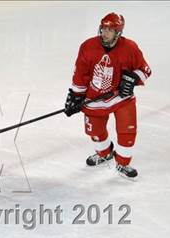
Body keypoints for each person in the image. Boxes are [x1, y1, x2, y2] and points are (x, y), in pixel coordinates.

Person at [64, 12, 151, 179]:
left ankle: (123, 163)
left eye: (110, 30)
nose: (105, 33)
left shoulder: (130, 48)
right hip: (94, 98)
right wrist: (76, 96)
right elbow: (80, 74)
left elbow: (145, 70)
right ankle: (105, 153)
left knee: (127, 133)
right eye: (103, 28)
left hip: (121, 98)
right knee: (94, 132)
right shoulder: (88, 46)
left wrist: (132, 79)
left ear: (118, 33)